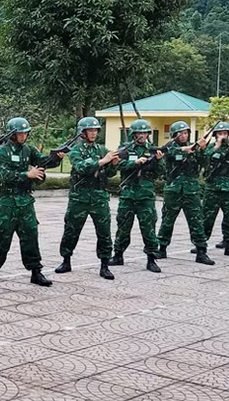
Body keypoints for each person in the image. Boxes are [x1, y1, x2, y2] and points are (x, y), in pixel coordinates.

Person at [0, 117, 64, 287]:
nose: (23, 135)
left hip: (25, 201)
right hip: (7, 201)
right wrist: (27, 175)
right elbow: (3, 175)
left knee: (31, 235)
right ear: (12, 134)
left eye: (25, 132)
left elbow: (43, 162)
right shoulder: (1, 151)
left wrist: (57, 158)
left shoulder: (28, 150)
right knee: (2, 235)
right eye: (20, 132)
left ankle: (36, 271)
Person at [55, 117, 119, 280]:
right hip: (79, 198)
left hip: (99, 197)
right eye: (90, 130)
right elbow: (81, 167)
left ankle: (105, 264)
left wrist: (113, 164)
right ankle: (66, 260)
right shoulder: (75, 151)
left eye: (95, 130)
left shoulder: (102, 149)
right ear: (82, 132)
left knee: (104, 232)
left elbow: (110, 174)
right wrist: (102, 161)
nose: (93, 133)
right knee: (71, 230)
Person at [156, 121, 214, 265]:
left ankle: (201, 251)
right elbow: (166, 152)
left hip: (191, 190)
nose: (183, 135)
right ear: (174, 135)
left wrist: (202, 149)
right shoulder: (170, 146)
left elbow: (206, 163)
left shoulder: (194, 148)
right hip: (173, 190)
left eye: (186, 133)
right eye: (180, 133)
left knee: (196, 221)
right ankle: (162, 248)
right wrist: (185, 150)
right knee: (168, 220)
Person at [109, 119, 163, 273]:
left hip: (146, 195)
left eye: (145, 133)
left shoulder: (153, 150)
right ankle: (118, 254)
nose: (142, 135)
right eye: (139, 133)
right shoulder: (125, 149)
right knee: (123, 227)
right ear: (134, 134)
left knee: (148, 228)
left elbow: (161, 173)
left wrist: (158, 161)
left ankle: (151, 258)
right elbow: (118, 164)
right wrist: (135, 163)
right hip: (128, 195)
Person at [201, 122, 229, 258]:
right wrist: (216, 147)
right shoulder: (210, 148)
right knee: (207, 217)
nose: (223, 136)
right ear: (215, 135)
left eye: (225, 133)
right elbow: (204, 160)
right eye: (220, 134)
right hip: (213, 188)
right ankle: (201, 244)